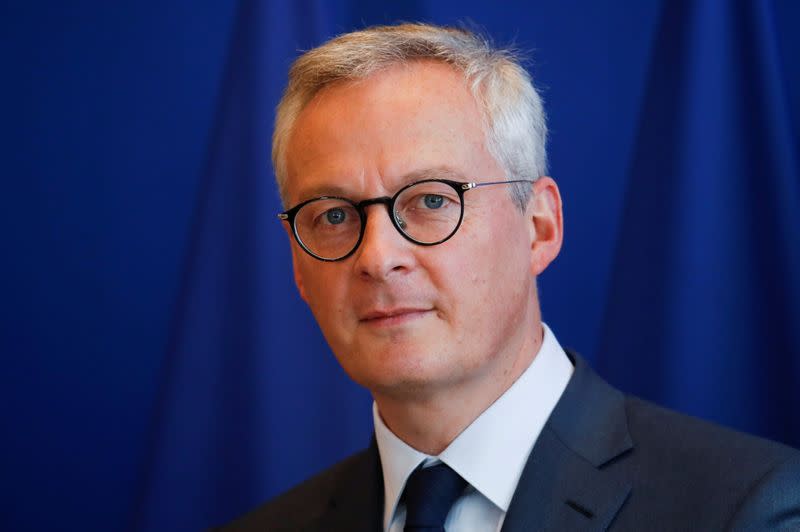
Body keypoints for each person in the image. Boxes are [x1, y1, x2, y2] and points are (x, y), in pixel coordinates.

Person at [220, 23, 800, 531]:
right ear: (298, 268)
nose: (377, 257)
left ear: (540, 227)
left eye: (431, 200)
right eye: (335, 216)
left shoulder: (748, 511)